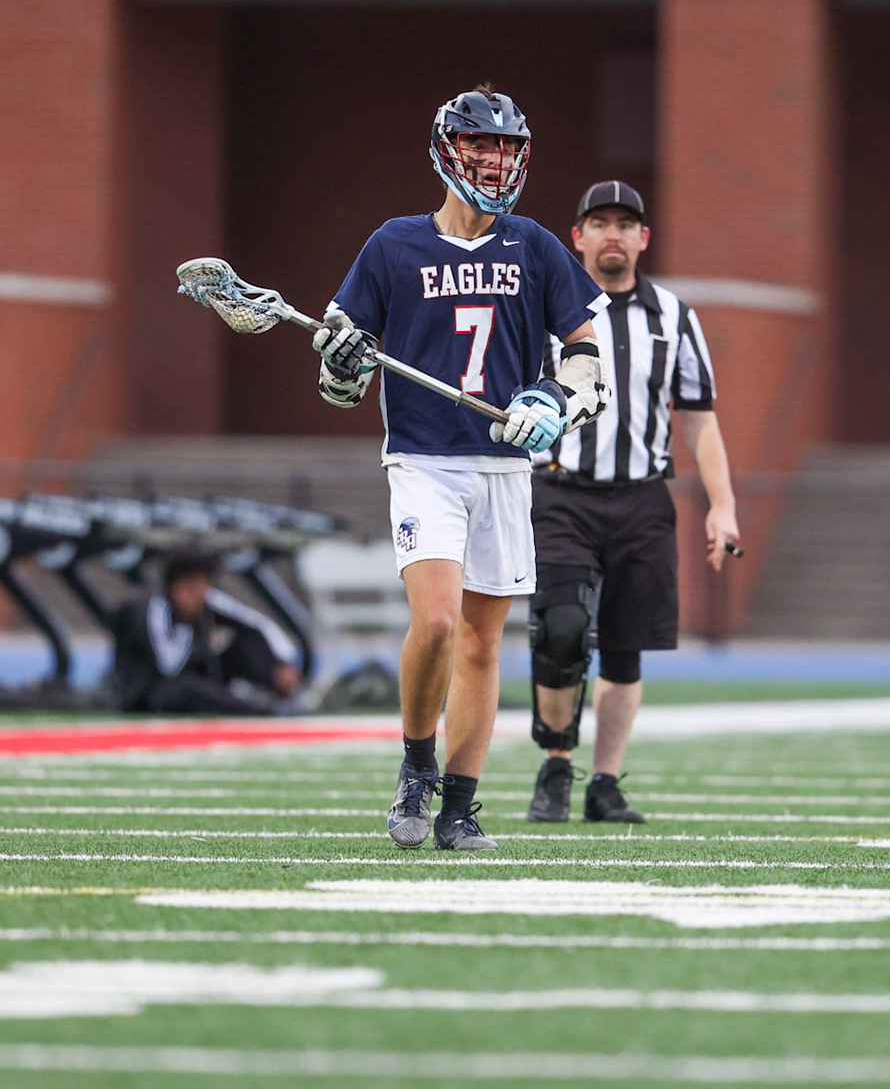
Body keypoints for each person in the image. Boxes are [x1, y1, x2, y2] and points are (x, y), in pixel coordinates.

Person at [312, 84, 609, 851]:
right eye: (481, 147)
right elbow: (341, 381)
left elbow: (587, 361)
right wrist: (343, 363)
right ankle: (417, 769)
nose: (495, 162)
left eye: (506, 150)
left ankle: (460, 805)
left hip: (504, 468)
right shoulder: (393, 245)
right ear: (448, 151)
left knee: (482, 643)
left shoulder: (535, 246)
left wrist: (552, 398)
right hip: (424, 461)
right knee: (438, 621)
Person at [524, 181, 742, 825]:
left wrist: (722, 505)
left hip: (642, 496)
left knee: (625, 649)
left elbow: (699, 419)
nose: (613, 233)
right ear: (578, 237)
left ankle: (605, 780)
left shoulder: (674, 317)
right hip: (560, 490)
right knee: (560, 631)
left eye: (626, 222)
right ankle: (557, 760)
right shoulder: (543, 310)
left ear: (644, 238)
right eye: (600, 221)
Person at [107, 549, 303, 715]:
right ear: (176, 586)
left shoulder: (205, 600)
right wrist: (189, 626)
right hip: (150, 692)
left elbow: (255, 624)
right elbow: (169, 666)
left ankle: (279, 695)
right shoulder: (151, 608)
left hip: (190, 679)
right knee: (186, 689)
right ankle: (257, 711)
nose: (200, 596)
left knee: (244, 644)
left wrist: (281, 663)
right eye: (192, 588)